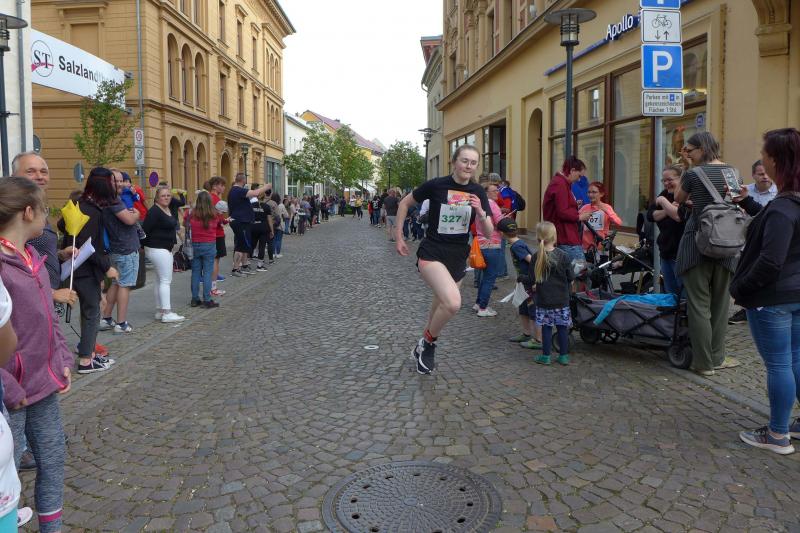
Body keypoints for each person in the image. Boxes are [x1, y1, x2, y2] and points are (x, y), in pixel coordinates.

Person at [0, 176, 71, 533]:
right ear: (27, 212)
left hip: (43, 384)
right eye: (44, 209)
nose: (47, 216)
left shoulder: (33, 258)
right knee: (5, 469)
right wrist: (9, 386)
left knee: (53, 459)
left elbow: (49, 319)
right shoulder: (2, 265)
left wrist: (63, 359)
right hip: (12, 394)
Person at [730, 128, 800, 455]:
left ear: (775, 159)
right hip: (795, 295)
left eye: (764, 154)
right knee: (795, 358)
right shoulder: (790, 202)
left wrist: (741, 287)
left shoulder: (784, 208)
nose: (762, 159)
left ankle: (777, 435)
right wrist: (747, 202)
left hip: (773, 299)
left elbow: (771, 260)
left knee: (779, 364)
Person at [395, 144, 492, 375]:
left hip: (458, 256)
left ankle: (423, 343)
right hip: (432, 252)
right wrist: (399, 236)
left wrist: (481, 213)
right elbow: (404, 203)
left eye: (473, 163)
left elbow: (489, 233)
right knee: (453, 303)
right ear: (454, 162)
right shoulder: (437, 185)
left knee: (440, 303)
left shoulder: (477, 192)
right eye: (464, 160)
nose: (468, 166)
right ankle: (429, 344)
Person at [674, 132, 740, 376]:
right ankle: (717, 357)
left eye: (689, 150)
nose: (688, 154)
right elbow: (735, 201)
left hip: (697, 244)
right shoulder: (733, 172)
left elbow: (678, 198)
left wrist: (686, 168)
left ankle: (703, 364)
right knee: (721, 306)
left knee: (699, 305)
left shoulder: (693, 173)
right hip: (727, 243)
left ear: (702, 149)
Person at [60, 168, 119, 374]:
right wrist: (107, 267)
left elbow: (62, 223)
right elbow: (87, 245)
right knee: (92, 311)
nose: (115, 186)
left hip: (77, 268)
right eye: (113, 182)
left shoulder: (81, 204)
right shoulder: (91, 210)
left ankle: (90, 354)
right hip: (84, 269)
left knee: (91, 310)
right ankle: (86, 360)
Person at [99, 169, 141, 334]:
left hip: (116, 249)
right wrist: (137, 214)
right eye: (115, 180)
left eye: (121, 180)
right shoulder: (114, 201)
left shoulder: (104, 200)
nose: (120, 183)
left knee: (117, 283)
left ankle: (106, 318)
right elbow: (129, 220)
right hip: (126, 249)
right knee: (125, 285)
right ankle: (121, 323)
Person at [529, 221, 574, 365]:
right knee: (562, 328)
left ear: (538, 238)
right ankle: (563, 356)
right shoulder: (564, 256)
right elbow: (570, 277)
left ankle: (546, 356)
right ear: (554, 237)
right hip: (562, 299)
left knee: (546, 328)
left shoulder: (536, 256)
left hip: (544, 300)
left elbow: (532, 279)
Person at [142, 185, 184, 323]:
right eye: (163, 196)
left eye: (168, 195)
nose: (166, 198)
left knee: (160, 280)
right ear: (157, 198)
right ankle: (167, 313)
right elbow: (145, 230)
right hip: (158, 249)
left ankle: (160, 311)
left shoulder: (166, 208)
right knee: (166, 281)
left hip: (163, 249)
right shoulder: (154, 211)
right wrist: (143, 246)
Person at [647, 165, 688, 297]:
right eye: (663, 180)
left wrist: (663, 202)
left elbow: (678, 216)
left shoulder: (686, 195)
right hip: (665, 253)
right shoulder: (664, 194)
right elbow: (650, 215)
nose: (666, 183)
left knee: (684, 296)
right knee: (670, 295)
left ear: (681, 179)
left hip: (681, 255)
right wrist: (667, 209)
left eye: (669, 180)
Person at [501, 218, 542, 350]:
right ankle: (526, 333)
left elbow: (532, 261)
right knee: (523, 308)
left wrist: (536, 280)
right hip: (523, 282)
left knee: (532, 310)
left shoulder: (517, 246)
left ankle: (538, 340)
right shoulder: (517, 243)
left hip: (529, 283)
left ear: (502, 233)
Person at [543, 157, 592, 265]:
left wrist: (574, 206)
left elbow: (560, 207)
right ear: (572, 170)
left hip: (563, 235)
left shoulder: (560, 183)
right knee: (580, 271)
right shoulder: (560, 184)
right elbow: (563, 212)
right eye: (579, 176)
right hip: (566, 236)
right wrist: (579, 217)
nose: (579, 180)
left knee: (567, 271)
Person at [227, 173, 270, 277]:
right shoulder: (238, 190)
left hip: (243, 221)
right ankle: (235, 269)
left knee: (244, 245)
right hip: (241, 222)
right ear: (243, 180)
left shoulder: (235, 191)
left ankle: (244, 266)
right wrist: (266, 187)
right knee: (240, 246)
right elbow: (256, 193)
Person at [473, 183, 505, 317]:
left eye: (497, 190)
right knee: (490, 278)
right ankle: (483, 308)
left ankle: (478, 303)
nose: (497, 192)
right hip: (492, 243)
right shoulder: (492, 204)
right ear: (486, 193)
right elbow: (500, 223)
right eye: (494, 190)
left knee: (484, 277)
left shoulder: (480, 205)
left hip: (481, 243)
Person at [186, 191, 221, 308]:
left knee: (195, 272)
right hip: (209, 245)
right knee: (207, 273)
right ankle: (207, 299)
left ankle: (195, 299)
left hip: (195, 245)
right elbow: (219, 224)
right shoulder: (214, 214)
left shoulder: (192, 213)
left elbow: (185, 222)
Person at [580, 181, 622, 251]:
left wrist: (607, 211)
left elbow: (619, 223)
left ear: (601, 194)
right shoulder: (584, 208)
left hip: (601, 247)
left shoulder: (607, 207)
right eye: (589, 192)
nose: (590, 195)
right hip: (585, 248)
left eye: (594, 192)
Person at [206, 177, 228, 292]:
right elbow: (217, 218)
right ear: (214, 186)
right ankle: (213, 288)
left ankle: (209, 287)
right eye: (222, 185)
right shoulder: (215, 199)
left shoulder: (207, 197)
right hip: (217, 234)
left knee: (210, 261)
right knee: (215, 260)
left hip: (209, 234)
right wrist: (223, 221)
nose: (224, 187)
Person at [250, 186, 274, 271]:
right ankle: (259, 265)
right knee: (262, 246)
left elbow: (249, 217)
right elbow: (269, 220)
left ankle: (246, 263)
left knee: (252, 245)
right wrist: (272, 231)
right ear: (264, 196)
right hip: (263, 228)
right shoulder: (266, 207)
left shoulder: (251, 205)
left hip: (253, 227)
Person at [269, 193, 285, 258]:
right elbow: (285, 214)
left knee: (273, 239)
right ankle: (277, 253)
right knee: (278, 239)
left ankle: (273, 253)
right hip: (279, 224)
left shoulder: (269, 204)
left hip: (271, 224)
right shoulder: (281, 206)